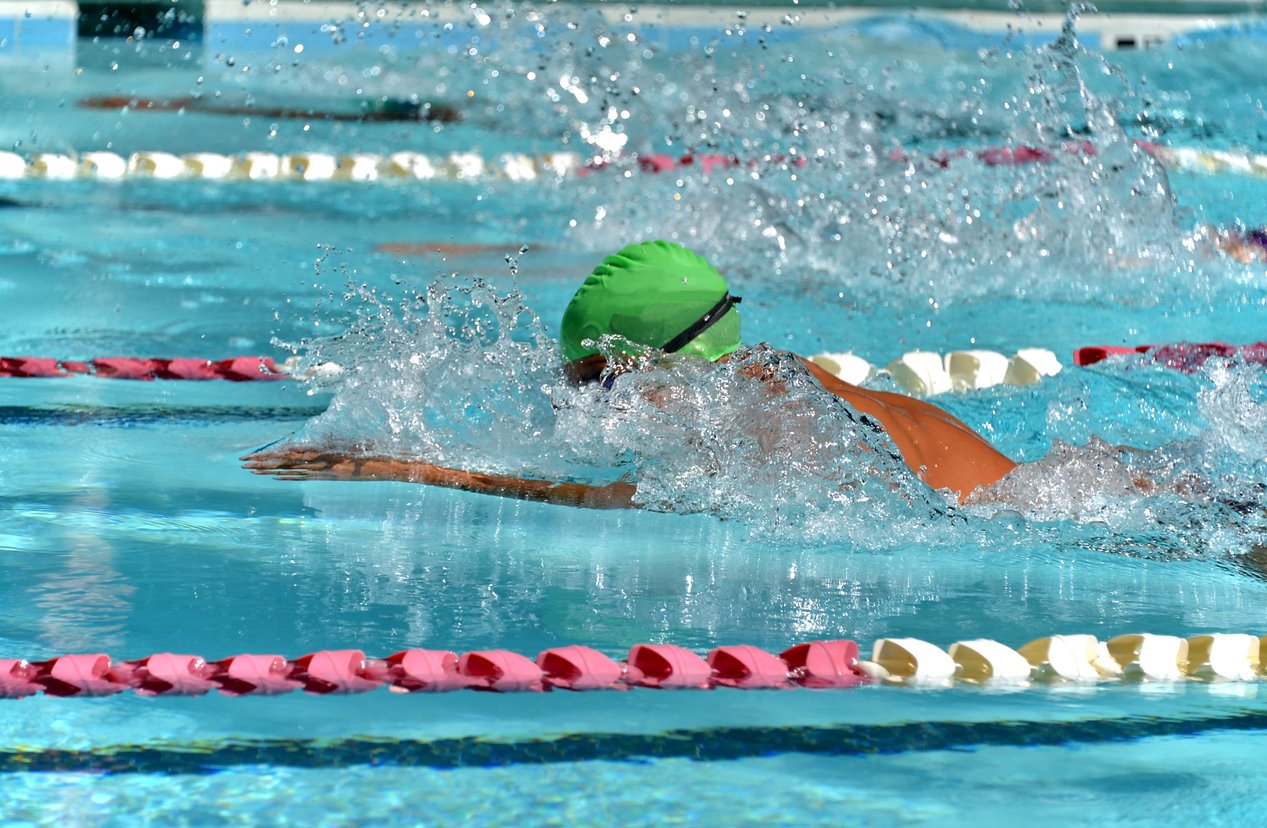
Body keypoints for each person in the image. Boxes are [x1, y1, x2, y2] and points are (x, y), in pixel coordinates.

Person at [244, 240, 1019, 507]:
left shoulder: (762, 403)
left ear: (640, 363)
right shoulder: (774, 377)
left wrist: (408, 470)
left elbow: (640, 504)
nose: (579, 399)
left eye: (589, 378)